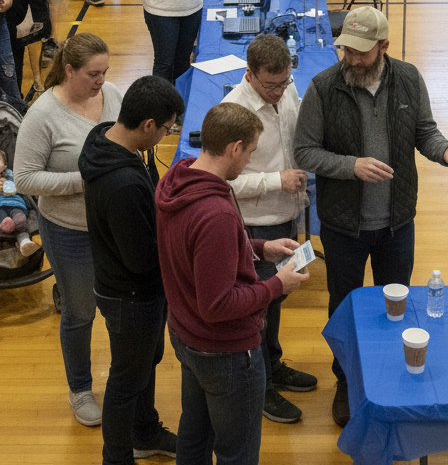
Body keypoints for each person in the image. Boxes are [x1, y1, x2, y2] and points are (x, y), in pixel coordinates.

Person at [293, 6, 448, 427]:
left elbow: (424, 131)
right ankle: (346, 382)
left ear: (384, 47)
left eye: (361, 52)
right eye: (347, 50)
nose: (352, 59)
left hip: (397, 223)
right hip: (343, 226)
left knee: (397, 308)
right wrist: (351, 165)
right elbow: (304, 151)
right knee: (344, 309)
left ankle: (390, 379)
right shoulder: (323, 88)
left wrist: (443, 150)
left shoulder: (409, 78)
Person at [156, 102, 309, 465]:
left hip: (186, 334)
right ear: (234, 148)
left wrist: (259, 247)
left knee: (194, 435)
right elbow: (218, 305)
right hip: (225, 352)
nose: (250, 160)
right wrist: (277, 285)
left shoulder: (176, 179)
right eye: (251, 152)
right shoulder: (216, 213)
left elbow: (199, 251)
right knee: (236, 453)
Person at [14, 33, 121, 428]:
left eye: (105, 71)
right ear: (70, 70)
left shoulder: (112, 95)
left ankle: (124, 382)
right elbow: (24, 178)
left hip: (114, 227)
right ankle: (80, 388)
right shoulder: (42, 115)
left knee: (120, 307)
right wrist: (84, 180)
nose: (101, 80)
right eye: (93, 73)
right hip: (69, 230)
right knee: (80, 312)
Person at [78, 75, 186, 464]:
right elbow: (140, 260)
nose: (167, 135)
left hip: (130, 290)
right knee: (126, 381)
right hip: (132, 296)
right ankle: (117, 457)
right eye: (166, 128)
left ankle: (145, 432)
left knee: (143, 365)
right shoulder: (122, 184)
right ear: (147, 124)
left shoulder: (105, 137)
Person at [223, 35, 317, 424]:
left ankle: (273, 365)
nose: (280, 91)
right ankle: (259, 388)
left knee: (275, 300)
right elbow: (223, 180)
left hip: (287, 216)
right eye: (271, 85)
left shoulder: (287, 88)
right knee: (257, 308)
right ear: (249, 74)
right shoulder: (232, 113)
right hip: (255, 227)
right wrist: (277, 180)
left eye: (285, 82)